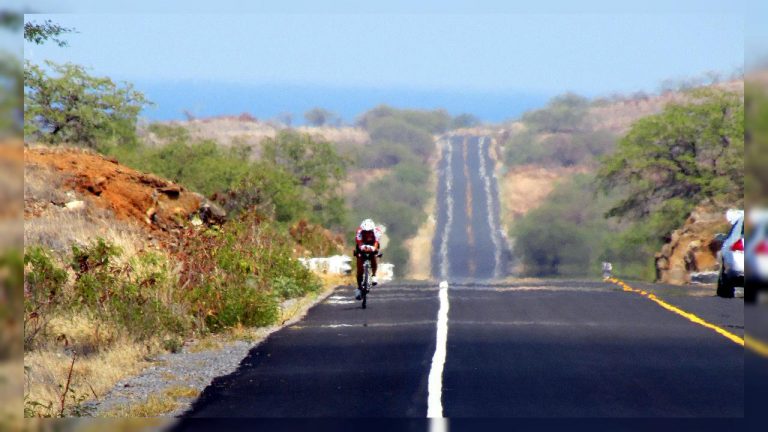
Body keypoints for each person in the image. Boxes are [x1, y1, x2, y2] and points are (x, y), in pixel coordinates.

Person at [354, 218, 382, 300]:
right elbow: (359, 243)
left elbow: (376, 243)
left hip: (373, 244)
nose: (367, 233)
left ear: (372, 230)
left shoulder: (377, 231)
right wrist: (362, 248)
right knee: (359, 267)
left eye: (369, 232)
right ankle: (359, 287)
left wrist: (373, 249)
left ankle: (374, 275)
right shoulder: (359, 232)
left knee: (373, 256)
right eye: (365, 232)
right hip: (362, 244)